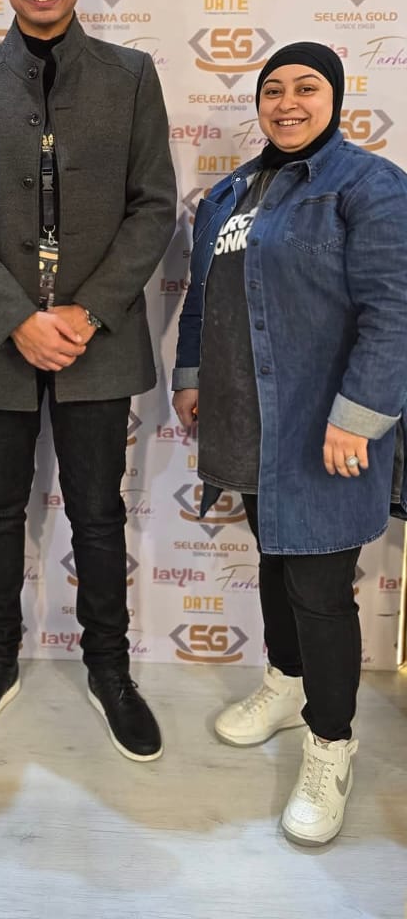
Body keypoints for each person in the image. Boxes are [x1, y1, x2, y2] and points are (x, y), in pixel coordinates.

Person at [0, 0, 176, 761]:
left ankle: (111, 668)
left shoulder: (132, 76)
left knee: (98, 514)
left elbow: (154, 206)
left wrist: (86, 311)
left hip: (98, 345)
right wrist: (15, 319)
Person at [172, 41, 407, 845]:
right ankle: (285, 680)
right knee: (274, 558)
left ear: (335, 99)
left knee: (319, 589)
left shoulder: (368, 186)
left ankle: (330, 746)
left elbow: (394, 311)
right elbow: (203, 299)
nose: (287, 103)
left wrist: (359, 415)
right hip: (248, 421)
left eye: (306, 87)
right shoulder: (231, 193)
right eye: (273, 90)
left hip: (323, 426)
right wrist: (192, 375)